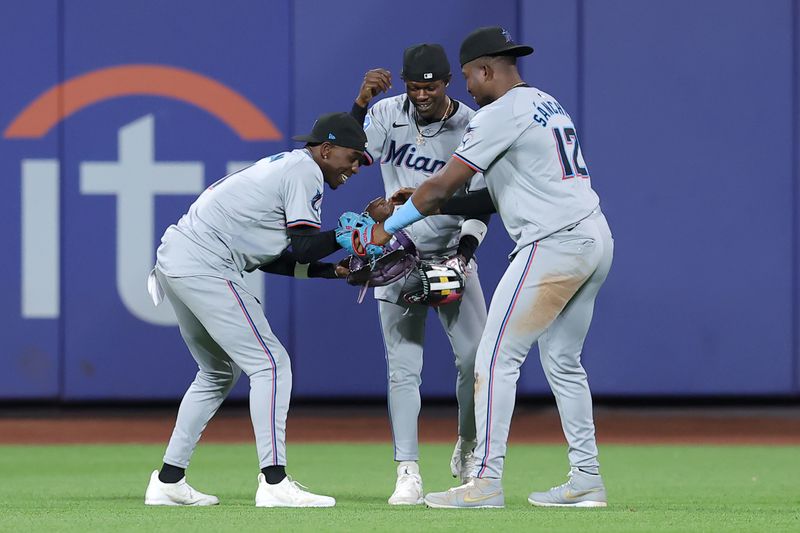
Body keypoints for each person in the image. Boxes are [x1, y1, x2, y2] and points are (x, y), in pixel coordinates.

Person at [359, 26, 614, 509]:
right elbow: (484, 197)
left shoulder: (497, 114)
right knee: (563, 362)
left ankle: (485, 481)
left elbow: (438, 188)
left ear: (484, 69)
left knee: (493, 359)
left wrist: (392, 220)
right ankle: (587, 477)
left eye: (471, 78)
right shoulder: (545, 101)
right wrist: (421, 204)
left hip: (553, 242)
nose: (469, 89)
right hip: (594, 236)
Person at [143, 112, 367, 508]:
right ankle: (275, 481)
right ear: (326, 150)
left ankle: (168, 480)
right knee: (271, 364)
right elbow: (301, 246)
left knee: (217, 372)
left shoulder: (289, 167)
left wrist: (332, 269)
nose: (355, 167)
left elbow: (272, 257)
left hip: (176, 261)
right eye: (352, 157)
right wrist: (352, 234)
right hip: (204, 264)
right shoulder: (305, 171)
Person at [349, 44, 490, 505]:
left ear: (447, 82)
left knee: (476, 362)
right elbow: (344, 159)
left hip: (453, 254)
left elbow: (485, 203)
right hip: (399, 256)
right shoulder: (388, 112)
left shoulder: (472, 125)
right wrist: (360, 105)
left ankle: (468, 446)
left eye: (430, 87)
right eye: (414, 87)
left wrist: (464, 257)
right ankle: (407, 471)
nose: (421, 95)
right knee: (403, 368)